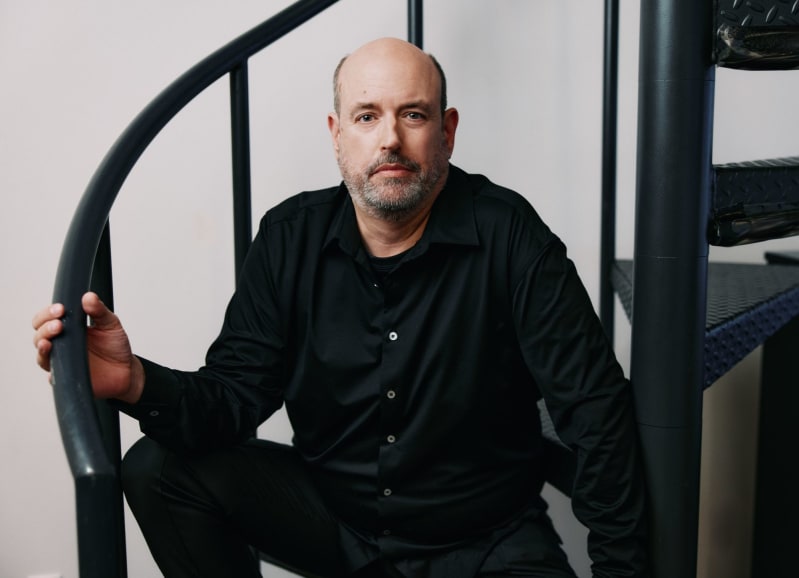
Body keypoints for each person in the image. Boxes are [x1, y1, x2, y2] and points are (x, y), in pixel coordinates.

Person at [33, 37, 647, 577]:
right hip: (337, 523)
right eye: (365, 116)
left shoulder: (509, 234)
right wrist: (134, 381)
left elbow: (595, 411)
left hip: (486, 542)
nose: (390, 139)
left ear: (448, 130)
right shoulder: (288, 238)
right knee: (159, 470)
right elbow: (234, 399)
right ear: (336, 135)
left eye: (413, 114)